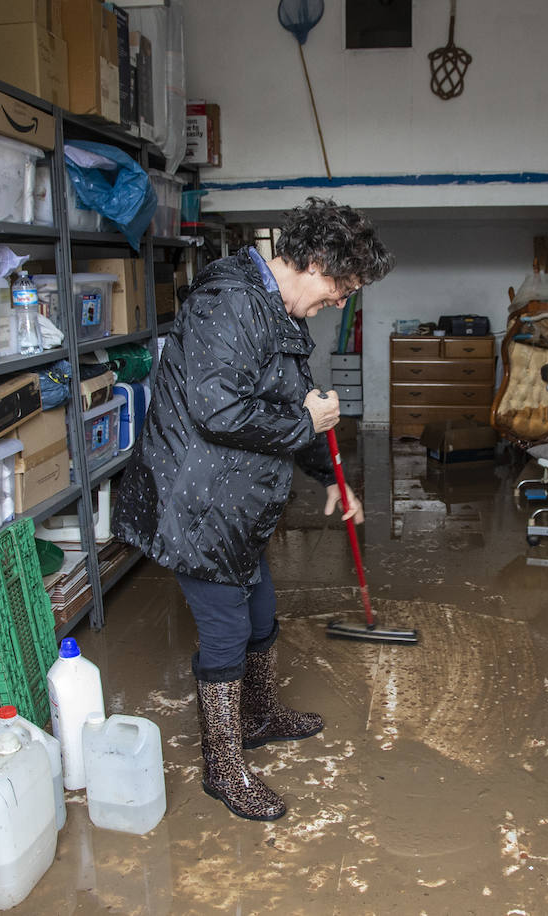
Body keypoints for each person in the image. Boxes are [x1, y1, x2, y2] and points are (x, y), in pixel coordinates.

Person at [111, 197, 395, 821]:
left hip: (235, 502)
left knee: (262, 613)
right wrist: (305, 420)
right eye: (340, 287)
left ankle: (260, 716)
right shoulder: (229, 302)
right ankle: (223, 765)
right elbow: (221, 412)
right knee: (227, 631)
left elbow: (290, 400)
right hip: (194, 502)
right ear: (314, 261)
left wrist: (327, 473)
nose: (341, 302)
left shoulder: (279, 311)